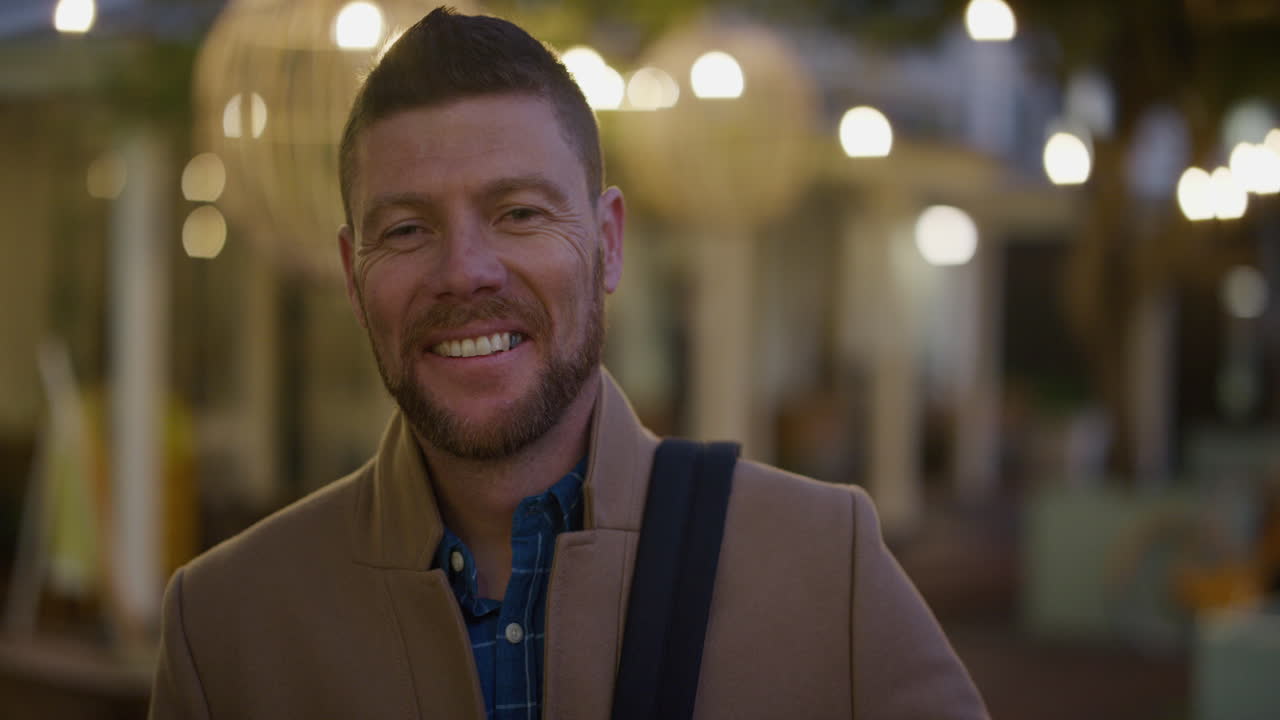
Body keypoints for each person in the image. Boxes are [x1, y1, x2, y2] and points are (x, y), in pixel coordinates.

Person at [149, 8, 987, 719]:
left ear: (609, 243)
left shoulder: (822, 565)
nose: (463, 270)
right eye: (406, 229)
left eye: (517, 212)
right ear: (351, 270)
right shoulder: (224, 628)